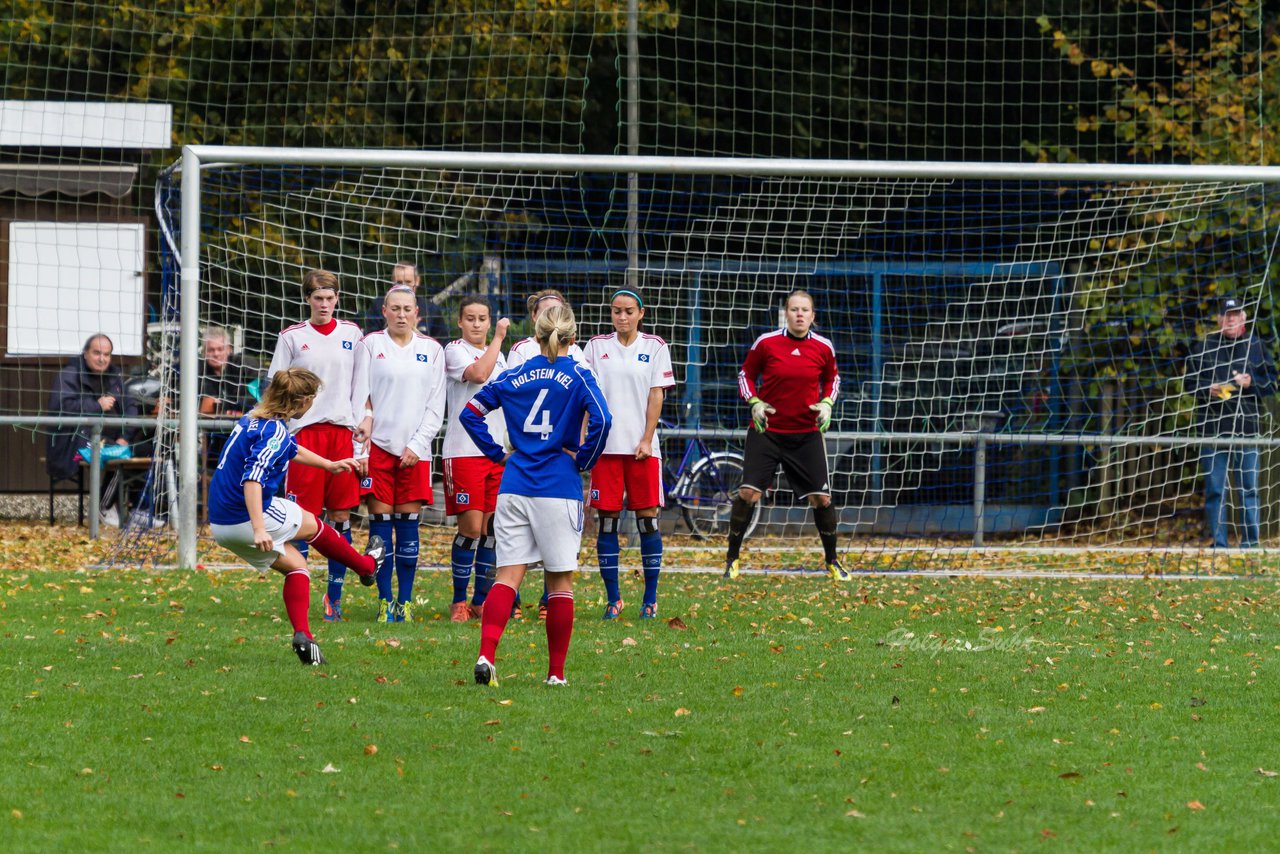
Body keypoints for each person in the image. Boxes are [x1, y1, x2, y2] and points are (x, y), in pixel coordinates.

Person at [460, 304, 611, 686]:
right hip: (557, 487)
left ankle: (485, 655)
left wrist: (498, 454)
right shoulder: (578, 372)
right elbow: (604, 419)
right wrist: (584, 459)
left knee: (507, 575)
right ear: (572, 339)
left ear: (537, 337)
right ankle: (556, 675)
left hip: (514, 485)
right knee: (559, 582)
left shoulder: (515, 374)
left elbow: (469, 413)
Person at [208, 367, 385, 665]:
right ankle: (366, 567)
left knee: (297, 567)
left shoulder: (254, 418)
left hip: (220, 523)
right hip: (246, 515)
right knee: (313, 524)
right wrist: (259, 528)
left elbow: (291, 449)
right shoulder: (274, 432)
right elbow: (253, 479)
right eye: (313, 398)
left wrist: (328, 465)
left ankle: (304, 638)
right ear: (301, 401)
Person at [725, 289, 847, 581]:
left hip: (806, 434)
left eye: (805, 310)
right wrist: (754, 403)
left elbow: (833, 378)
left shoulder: (824, 347)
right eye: (794, 309)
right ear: (786, 313)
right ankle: (732, 559)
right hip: (767, 431)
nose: (800, 314)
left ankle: (832, 561)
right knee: (748, 493)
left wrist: (828, 404)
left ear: (813, 316)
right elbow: (745, 375)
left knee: (822, 500)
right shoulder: (766, 343)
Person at [266, 269, 364, 620]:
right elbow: (276, 385)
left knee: (340, 515)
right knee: (300, 519)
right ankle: (303, 594)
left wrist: (360, 433)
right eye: (318, 298)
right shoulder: (292, 336)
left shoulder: (353, 334)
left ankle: (333, 599)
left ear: (338, 298)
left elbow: (361, 387)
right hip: (304, 437)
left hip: (341, 434)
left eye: (330, 298)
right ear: (308, 299)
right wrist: (281, 428)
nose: (324, 304)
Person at [351, 285, 447, 622]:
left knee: (408, 530)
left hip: (414, 454)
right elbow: (359, 401)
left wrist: (417, 446)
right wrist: (359, 450)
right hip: (377, 452)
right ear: (385, 312)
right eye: (395, 308)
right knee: (380, 530)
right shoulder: (370, 345)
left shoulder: (432, 351)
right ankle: (384, 602)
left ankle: (404, 603)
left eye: (408, 309)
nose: (402, 315)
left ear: (417, 314)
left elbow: (436, 408)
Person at [581, 288, 676, 619]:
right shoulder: (595, 347)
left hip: (642, 451)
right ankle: (614, 599)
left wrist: (647, 439)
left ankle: (650, 600)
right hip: (606, 449)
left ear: (641, 313)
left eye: (628, 311)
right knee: (606, 524)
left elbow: (656, 395)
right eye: (616, 311)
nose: (622, 317)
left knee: (648, 523)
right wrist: (584, 441)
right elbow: (585, 395)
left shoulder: (655, 347)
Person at [505, 288, 585, 620]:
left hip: (559, 458)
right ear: (534, 318)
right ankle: (515, 599)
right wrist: (509, 448)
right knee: (519, 538)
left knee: (557, 543)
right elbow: (511, 399)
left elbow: (587, 410)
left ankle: (545, 601)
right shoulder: (521, 351)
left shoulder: (578, 355)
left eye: (557, 310)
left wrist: (579, 451)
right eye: (544, 311)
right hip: (529, 456)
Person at [1186, 296, 1276, 548]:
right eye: (1227, 316)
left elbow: (1272, 383)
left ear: (1243, 319)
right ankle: (1220, 544)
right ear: (1219, 320)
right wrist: (1208, 389)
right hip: (1213, 430)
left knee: (1249, 490)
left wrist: (1252, 384)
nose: (1231, 319)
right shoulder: (1204, 347)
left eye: (1235, 315)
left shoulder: (1256, 346)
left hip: (1247, 430)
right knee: (1215, 491)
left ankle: (1250, 544)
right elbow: (1189, 384)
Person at [442, 295, 510, 621]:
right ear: (460, 321)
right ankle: (458, 600)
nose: (477, 324)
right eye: (470, 318)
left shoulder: (503, 358)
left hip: (496, 452)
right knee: (470, 529)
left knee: (492, 529)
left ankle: (481, 601)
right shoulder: (454, 351)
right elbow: (480, 374)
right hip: (464, 451)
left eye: (483, 318)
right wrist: (497, 337)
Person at [45, 333, 139, 527]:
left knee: (146, 449)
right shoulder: (68, 376)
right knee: (119, 457)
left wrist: (124, 437)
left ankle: (138, 509)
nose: (102, 358)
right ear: (85, 354)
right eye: (97, 353)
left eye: (107, 354)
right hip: (75, 442)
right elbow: (61, 408)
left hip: (113, 440)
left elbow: (131, 408)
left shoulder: (115, 377)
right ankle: (103, 507)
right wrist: (96, 405)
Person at [199, 326, 264, 465]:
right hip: (214, 433)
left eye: (220, 349)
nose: (216, 354)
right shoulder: (199, 371)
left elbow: (261, 395)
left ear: (229, 349)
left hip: (249, 429)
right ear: (204, 352)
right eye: (211, 350)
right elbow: (202, 406)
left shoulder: (245, 365)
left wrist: (224, 405)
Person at [363, 261, 448, 341]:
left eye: (408, 282)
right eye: (399, 282)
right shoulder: (378, 306)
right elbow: (370, 341)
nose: (404, 287)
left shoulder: (431, 310)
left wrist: (415, 333)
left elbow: (440, 346)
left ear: (417, 281)